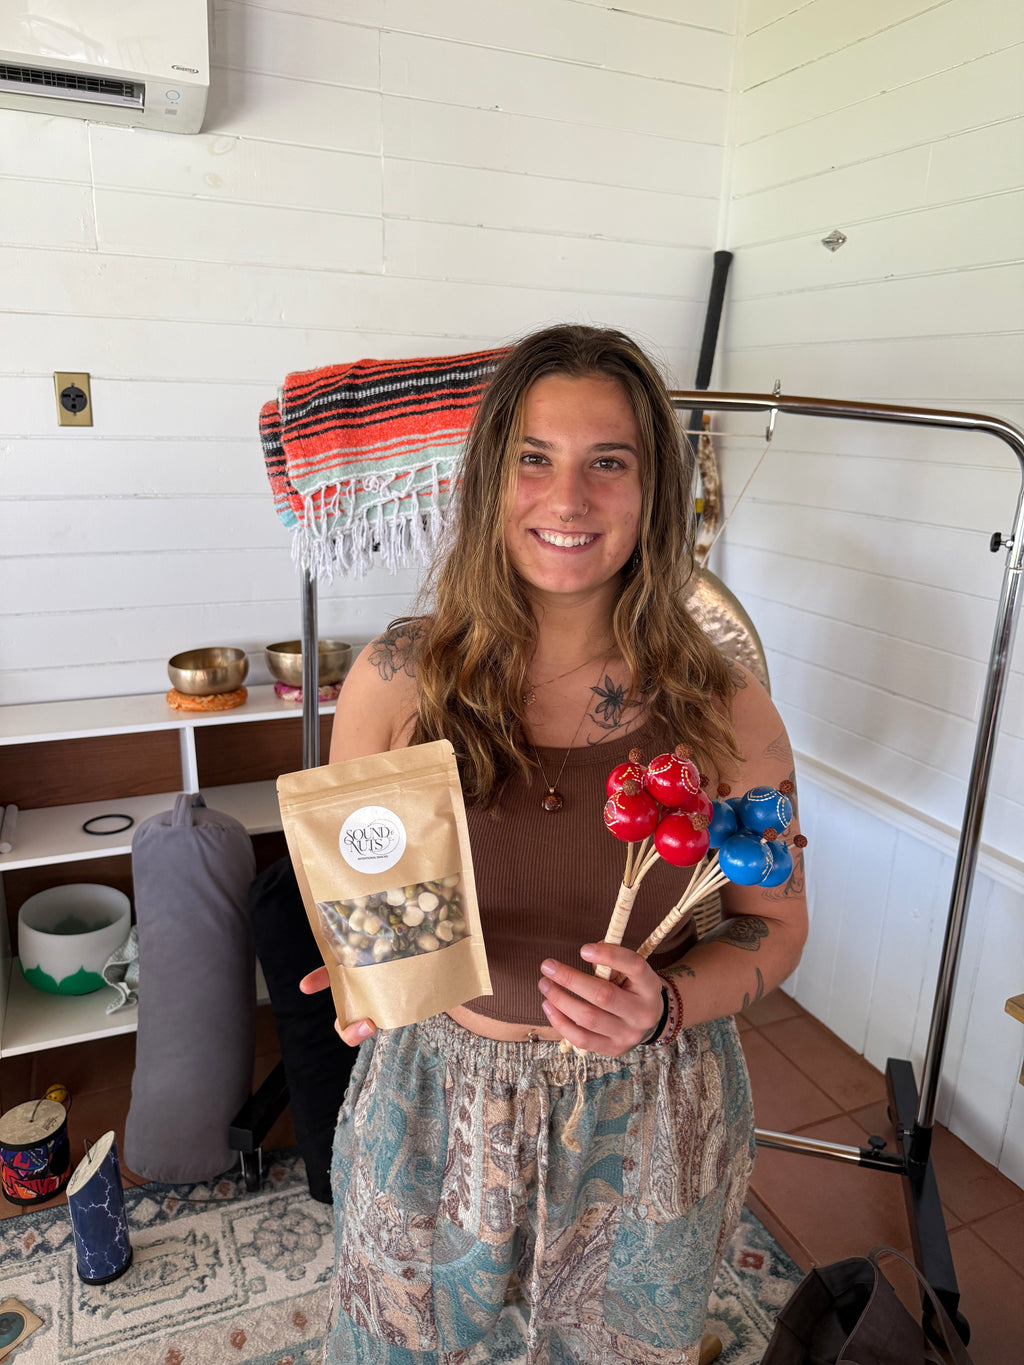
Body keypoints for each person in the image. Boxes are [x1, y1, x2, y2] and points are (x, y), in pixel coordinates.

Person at [301, 324, 808, 1365]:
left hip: (648, 1116)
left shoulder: (725, 708)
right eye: (534, 457)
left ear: (653, 491)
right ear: (490, 476)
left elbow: (775, 926)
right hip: (434, 1104)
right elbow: (360, 882)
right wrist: (358, 964)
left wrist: (666, 1003)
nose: (567, 499)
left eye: (607, 462)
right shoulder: (396, 680)